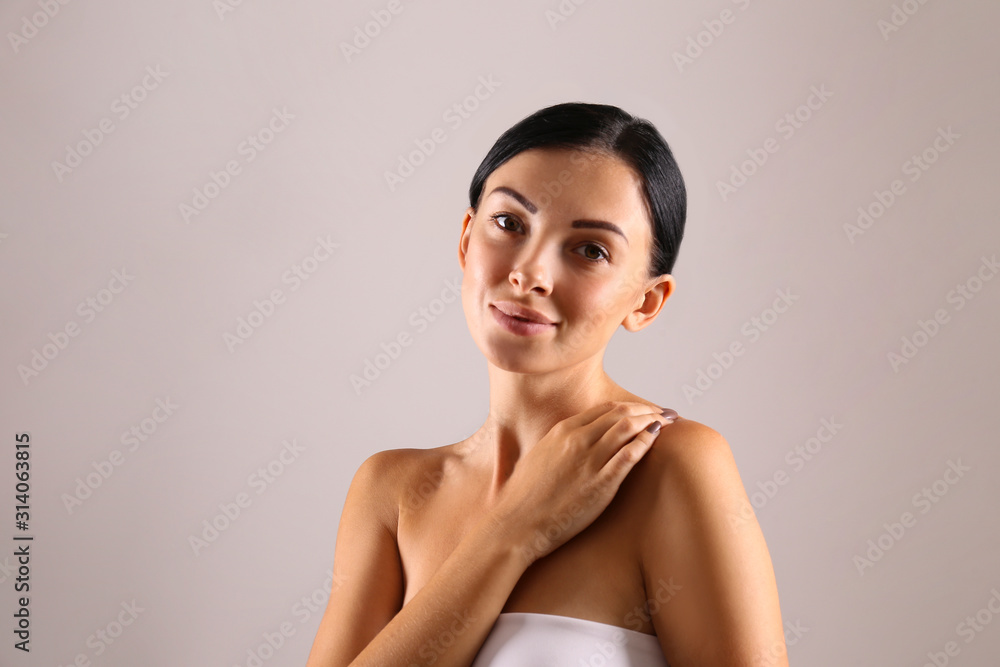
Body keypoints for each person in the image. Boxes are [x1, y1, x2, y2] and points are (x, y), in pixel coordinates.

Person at [306, 102, 787, 666]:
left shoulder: (672, 467)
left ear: (646, 301)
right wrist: (515, 530)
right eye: (509, 224)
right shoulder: (391, 494)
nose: (529, 273)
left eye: (591, 250)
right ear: (466, 239)